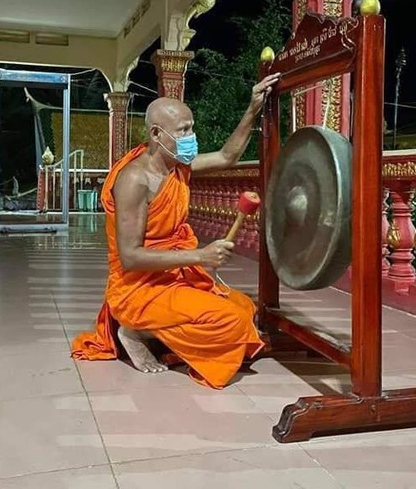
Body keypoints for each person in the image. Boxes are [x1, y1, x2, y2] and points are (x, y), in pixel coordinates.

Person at [70, 72, 281, 389]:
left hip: (173, 277)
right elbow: (130, 257)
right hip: (138, 288)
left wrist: (253, 107)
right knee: (232, 322)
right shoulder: (134, 180)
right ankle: (134, 330)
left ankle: (151, 333)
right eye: (184, 130)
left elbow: (227, 156)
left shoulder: (176, 166)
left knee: (244, 308)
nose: (191, 136)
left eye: (191, 128)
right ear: (157, 134)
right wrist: (201, 256)